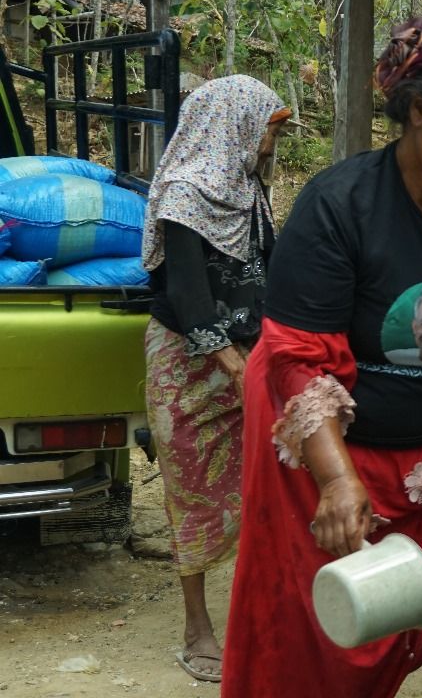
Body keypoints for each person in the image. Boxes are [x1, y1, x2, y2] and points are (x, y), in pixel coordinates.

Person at [220, 17, 422, 698]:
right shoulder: (339, 206)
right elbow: (299, 360)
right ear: (420, 111)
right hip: (324, 447)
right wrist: (338, 481)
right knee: (319, 619)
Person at [141, 74, 292, 683]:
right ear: (235, 125)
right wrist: (235, 364)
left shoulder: (250, 191)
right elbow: (187, 293)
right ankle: (197, 625)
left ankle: (267, 610)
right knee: (194, 490)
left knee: (268, 484)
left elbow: (270, 275)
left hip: (248, 358)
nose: (271, 145)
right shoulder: (185, 192)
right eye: (269, 132)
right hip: (187, 362)